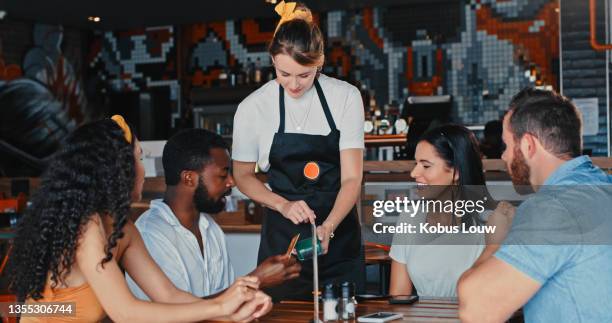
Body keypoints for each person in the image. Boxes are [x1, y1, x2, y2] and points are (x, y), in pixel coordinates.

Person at [10, 116, 272, 322]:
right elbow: (126, 314)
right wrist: (219, 306)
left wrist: (232, 309)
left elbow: (168, 296)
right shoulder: (88, 228)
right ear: (117, 169)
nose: (143, 170)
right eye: (139, 158)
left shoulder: (124, 229)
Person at [232, 1, 365, 300]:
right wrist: (282, 205)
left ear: (319, 63)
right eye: (284, 74)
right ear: (272, 61)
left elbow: (352, 179)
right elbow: (241, 175)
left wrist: (329, 226)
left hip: (338, 235)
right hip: (283, 245)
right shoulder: (253, 108)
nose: (293, 85)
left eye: (304, 75)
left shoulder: (345, 97)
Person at [458, 88, 612, 322]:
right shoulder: (601, 186)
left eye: (507, 145)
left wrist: (495, 242)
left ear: (529, 145)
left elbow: (476, 308)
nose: (504, 157)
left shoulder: (555, 205)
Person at [126, 128, 301, 299]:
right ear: (189, 178)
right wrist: (256, 280)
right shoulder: (151, 235)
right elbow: (179, 314)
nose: (232, 182)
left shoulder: (210, 229)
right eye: (223, 175)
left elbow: (224, 305)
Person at [389, 124, 499, 298]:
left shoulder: (491, 223)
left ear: (456, 172)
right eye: (415, 163)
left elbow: (493, 298)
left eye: (425, 166)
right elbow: (399, 296)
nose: (413, 173)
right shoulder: (410, 217)